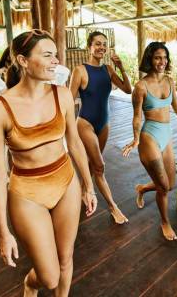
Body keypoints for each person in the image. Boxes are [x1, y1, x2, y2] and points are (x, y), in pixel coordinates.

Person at [0, 30, 97, 297]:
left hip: (65, 181)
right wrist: (3, 233)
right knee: (48, 277)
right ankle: (29, 285)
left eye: (55, 55)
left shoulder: (62, 95)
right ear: (22, 61)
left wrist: (88, 186)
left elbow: (75, 143)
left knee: (66, 259)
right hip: (27, 193)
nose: (55, 61)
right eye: (47, 55)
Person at [122, 41, 177, 240]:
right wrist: (135, 140)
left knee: (169, 184)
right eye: (157, 57)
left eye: (164, 57)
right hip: (149, 136)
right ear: (150, 59)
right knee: (163, 188)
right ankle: (165, 222)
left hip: (166, 135)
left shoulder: (169, 81)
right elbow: (136, 116)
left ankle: (142, 188)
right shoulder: (141, 86)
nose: (162, 61)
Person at [69, 31, 132, 224]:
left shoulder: (108, 69)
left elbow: (128, 89)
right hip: (85, 123)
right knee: (100, 167)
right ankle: (113, 207)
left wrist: (121, 67)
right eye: (97, 44)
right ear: (89, 46)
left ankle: (82, 191)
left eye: (104, 44)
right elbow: (68, 100)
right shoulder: (80, 70)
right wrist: (68, 129)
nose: (101, 47)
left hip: (104, 124)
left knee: (93, 163)